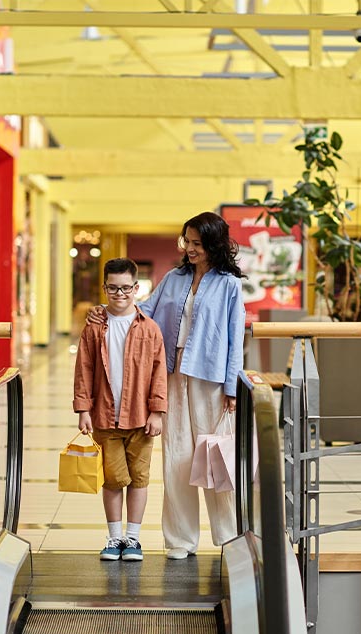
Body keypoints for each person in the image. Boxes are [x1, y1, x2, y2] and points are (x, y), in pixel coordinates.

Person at [88, 211, 246, 560]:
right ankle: (180, 539)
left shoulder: (230, 285)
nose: (189, 248)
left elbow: (236, 338)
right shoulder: (175, 278)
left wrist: (233, 387)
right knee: (177, 457)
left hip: (211, 379)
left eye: (196, 243)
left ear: (213, 244)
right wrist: (106, 309)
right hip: (172, 375)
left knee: (215, 457)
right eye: (186, 242)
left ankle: (230, 536)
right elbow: (143, 310)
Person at [73, 258, 167, 562]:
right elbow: (84, 368)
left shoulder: (150, 330)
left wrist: (158, 411)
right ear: (104, 288)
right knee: (112, 480)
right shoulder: (94, 329)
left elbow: (158, 372)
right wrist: (83, 409)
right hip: (104, 416)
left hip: (141, 418)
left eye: (126, 288)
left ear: (136, 288)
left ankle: (133, 539)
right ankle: (114, 538)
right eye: (113, 288)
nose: (120, 294)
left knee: (139, 478)